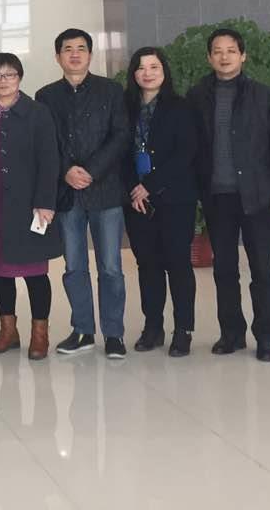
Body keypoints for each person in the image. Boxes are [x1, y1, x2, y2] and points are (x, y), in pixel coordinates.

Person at [188, 27, 270, 362]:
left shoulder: (265, 96)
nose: (224, 57)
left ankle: (266, 337)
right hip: (217, 197)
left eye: (231, 51)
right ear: (209, 57)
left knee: (262, 270)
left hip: (258, 197)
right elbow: (191, 147)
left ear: (243, 55)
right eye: (217, 51)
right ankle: (231, 334)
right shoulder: (197, 96)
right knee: (224, 270)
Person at [36, 28, 130, 359]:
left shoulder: (111, 90)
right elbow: (46, 142)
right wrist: (66, 171)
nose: (74, 54)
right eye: (67, 49)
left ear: (90, 54)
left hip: (105, 191)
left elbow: (121, 135)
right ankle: (83, 331)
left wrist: (92, 170)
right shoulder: (46, 96)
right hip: (67, 194)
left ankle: (114, 334)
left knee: (111, 267)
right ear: (58, 56)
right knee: (74, 266)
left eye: (81, 48)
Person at [0, 53, 62, 360]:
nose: (3, 81)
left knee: (35, 273)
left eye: (9, 74)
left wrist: (45, 202)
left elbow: (49, 160)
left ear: (20, 77)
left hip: (30, 206)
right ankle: (8, 332)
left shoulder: (38, 113)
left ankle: (39, 335)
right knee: (0, 271)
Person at [122, 47, 199, 357]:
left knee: (178, 264)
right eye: (141, 68)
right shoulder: (125, 108)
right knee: (147, 265)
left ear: (164, 71)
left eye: (154, 67)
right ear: (134, 74)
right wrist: (134, 188)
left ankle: (183, 330)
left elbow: (186, 153)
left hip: (175, 199)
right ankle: (153, 327)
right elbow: (119, 152)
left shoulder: (181, 107)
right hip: (136, 202)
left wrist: (150, 186)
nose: (148, 73)